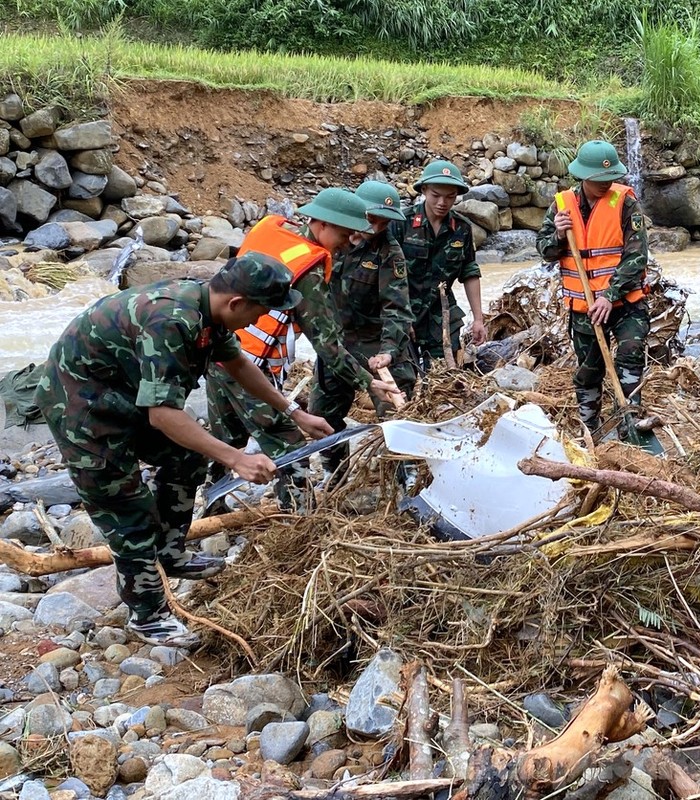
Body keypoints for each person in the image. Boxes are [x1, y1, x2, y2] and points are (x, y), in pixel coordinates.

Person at [34, 254, 333, 646]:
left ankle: (171, 554)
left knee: (186, 457)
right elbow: (164, 416)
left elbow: (238, 365)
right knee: (128, 508)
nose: (262, 320)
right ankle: (148, 615)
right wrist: (236, 458)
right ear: (238, 303)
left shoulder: (209, 309)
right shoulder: (172, 320)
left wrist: (294, 412)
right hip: (82, 405)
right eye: (263, 311)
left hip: (128, 394)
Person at [205, 188, 398, 510]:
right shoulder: (307, 267)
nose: (348, 241)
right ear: (320, 224)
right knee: (289, 443)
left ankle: (213, 505)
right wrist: (368, 382)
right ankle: (301, 522)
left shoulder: (272, 231)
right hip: (250, 367)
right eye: (344, 233)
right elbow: (327, 344)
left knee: (228, 438)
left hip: (218, 352)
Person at [536, 140, 650, 432]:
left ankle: (630, 424)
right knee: (589, 370)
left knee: (630, 356)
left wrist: (610, 295)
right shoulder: (561, 206)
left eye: (610, 177)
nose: (606, 183)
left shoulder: (626, 202)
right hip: (584, 307)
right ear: (582, 176)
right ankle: (590, 428)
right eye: (599, 179)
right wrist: (559, 237)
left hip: (626, 303)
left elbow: (636, 256)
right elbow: (544, 250)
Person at [308, 180, 415, 479]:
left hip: (376, 342)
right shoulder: (329, 242)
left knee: (396, 414)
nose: (374, 228)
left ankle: (405, 479)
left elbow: (397, 308)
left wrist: (389, 351)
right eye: (371, 219)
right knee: (322, 413)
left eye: (383, 223)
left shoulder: (389, 253)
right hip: (337, 343)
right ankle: (336, 475)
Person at [393, 160, 486, 370]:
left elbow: (469, 272)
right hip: (402, 312)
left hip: (441, 316)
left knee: (444, 379)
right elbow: (385, 277)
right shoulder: (401, 223)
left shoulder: (462, 228)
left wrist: (478, 319)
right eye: (436, 195)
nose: (443, 202)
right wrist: (398, 317)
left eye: (450, 196)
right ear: (424, 190)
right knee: (403, 380)